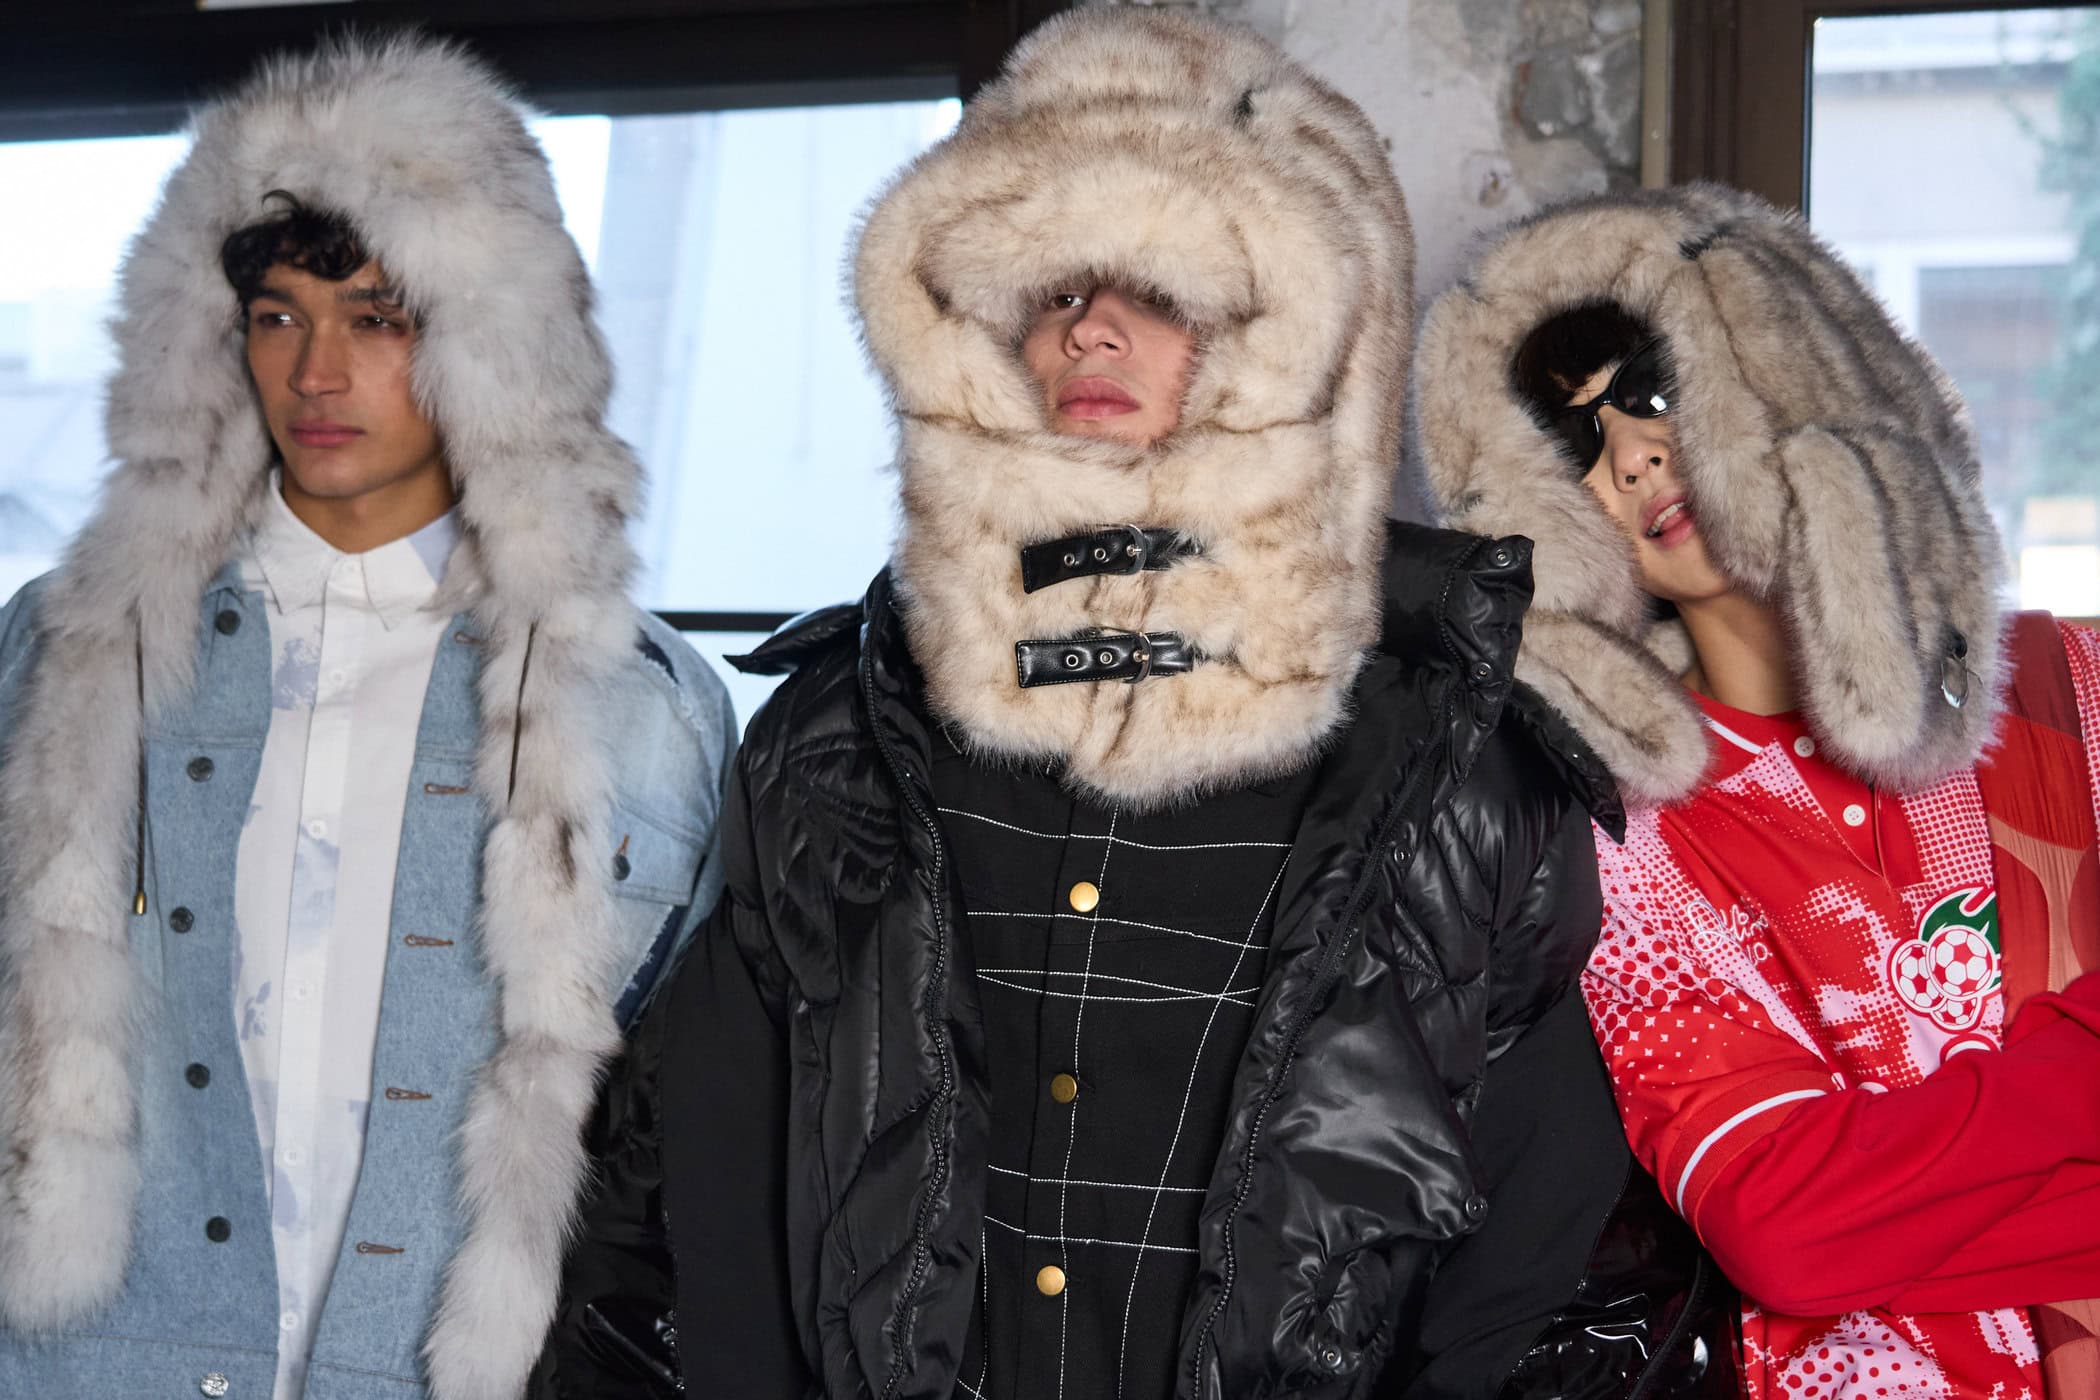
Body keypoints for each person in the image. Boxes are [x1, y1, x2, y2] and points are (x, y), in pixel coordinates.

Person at [532, 11, 1721, 1399]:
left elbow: (1554, 1276)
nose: (1091, 327)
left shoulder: (1455, 768)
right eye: (1054, 286)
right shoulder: (840, 739)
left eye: (1162, 286)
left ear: (1296, 334)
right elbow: (688, 1222)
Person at [0, 35, 734, 1400]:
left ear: (486, 339)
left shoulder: (637, 709)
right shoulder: (72, 652)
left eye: (377, 317)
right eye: (277, 316)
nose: (317, 373)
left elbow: (690, 1136)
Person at [1415, 181, 2100, 1400]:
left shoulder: (2071, 689)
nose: (1631, 456)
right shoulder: (1623, 835)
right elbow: (1787, 1231)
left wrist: (1898, 1192)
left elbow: (1841, 1215)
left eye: (1653, 390)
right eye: (1577, 446)